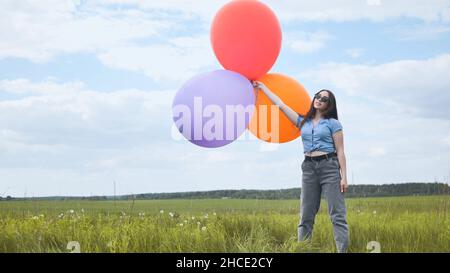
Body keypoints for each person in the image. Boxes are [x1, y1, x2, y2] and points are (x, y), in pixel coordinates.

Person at [252, 81, 349, 253]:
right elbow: (280, 105)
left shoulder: (333, 123)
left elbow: (340, 151)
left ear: (329, 104)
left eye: (324, 98)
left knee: (337, 216)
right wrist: (262, 87)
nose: (319, 99)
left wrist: (344, 176)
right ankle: (303, 250)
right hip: (309, 168)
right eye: (317, 96)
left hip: (329, 166)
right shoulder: (302, 121)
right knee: (305, 216)